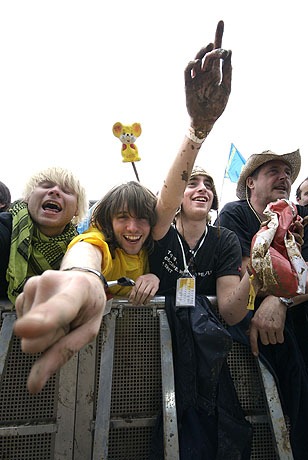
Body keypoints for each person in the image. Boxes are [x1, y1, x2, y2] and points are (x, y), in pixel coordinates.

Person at [13, 20, 233, 394]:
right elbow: (84, 255)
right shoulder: (97, 241)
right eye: (122, 218)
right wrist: (83, 280)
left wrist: (199, 126)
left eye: (142, 219)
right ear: (105, 220)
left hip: (136, 367)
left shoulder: (155, 244)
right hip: (65, 362)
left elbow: (165, 201)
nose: (133, 228)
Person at [149, 166, 254, 459]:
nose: (202, 189)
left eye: (208, 184)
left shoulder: (225, 239)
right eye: (192, 183)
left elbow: (231, 312)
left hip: (205, 359)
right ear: (175, 198)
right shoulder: (160, 234)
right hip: (151, 352)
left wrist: (256, 268)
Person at [217, 149, 308, 459]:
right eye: (273, 171)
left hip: (292, 318)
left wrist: (280, 299)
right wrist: (284, 291)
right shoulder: (235, 214)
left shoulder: (299, 218)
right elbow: (247, 268)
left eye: (287, 172)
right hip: (255, 330)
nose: (284, 176)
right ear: (251, 183)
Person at [0, 166, 88, 301]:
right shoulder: (4, 229)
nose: (55, 191)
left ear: (77, 209)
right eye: (46, 186)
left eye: (66, 191)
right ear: (28, 197)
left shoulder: (82, 248)